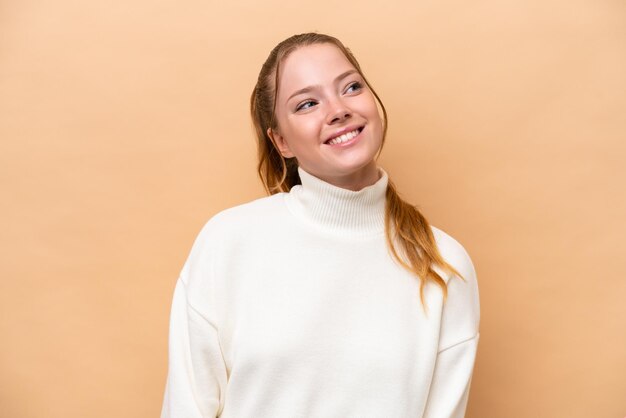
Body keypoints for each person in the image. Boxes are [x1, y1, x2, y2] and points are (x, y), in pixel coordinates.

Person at [160, 33, 480, 418]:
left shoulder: (444, 265)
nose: (338, 109)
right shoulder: (227, 242)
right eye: (308, 103)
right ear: (281, 142)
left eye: (351, 87)